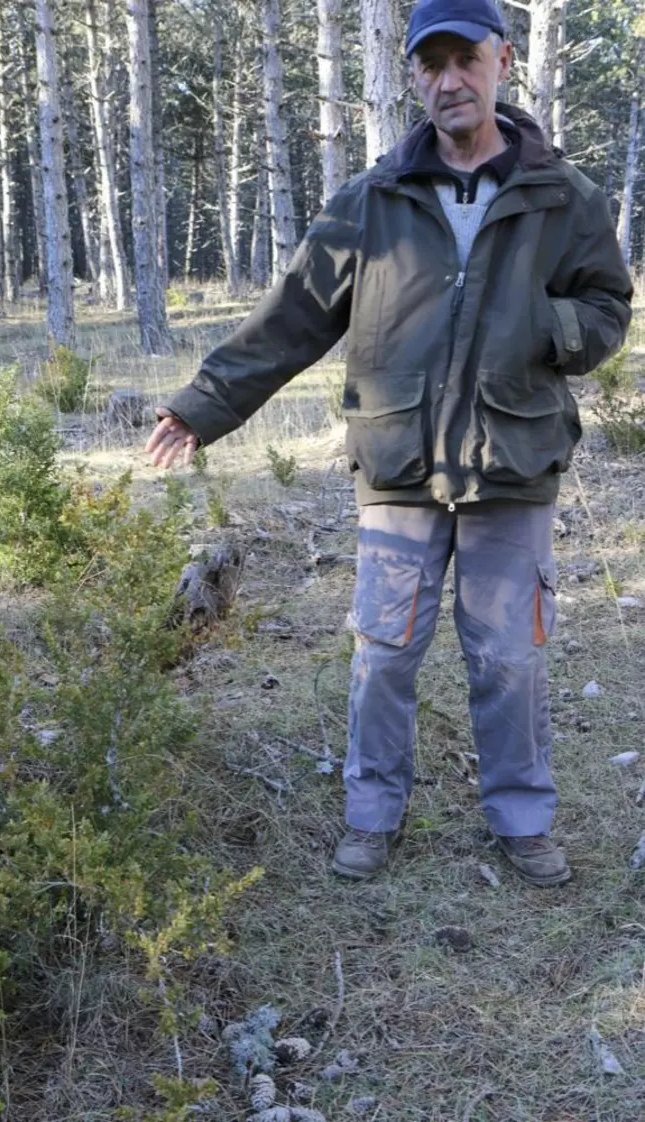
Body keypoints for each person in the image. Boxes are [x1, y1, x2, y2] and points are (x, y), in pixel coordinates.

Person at [146, 0, 632, 887]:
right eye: (429, 64)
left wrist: (542, 321)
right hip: (399, 463)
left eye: (465, 60)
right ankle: (372, 813)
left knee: (509, 655)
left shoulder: (566, 197)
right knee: (382, 653)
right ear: (411, 74)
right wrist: (203, 402)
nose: (448, 80)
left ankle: (521, 820)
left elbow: (606, 311)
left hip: (511, 461)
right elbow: (291, 318)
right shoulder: (371, 200)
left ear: (502, 62)